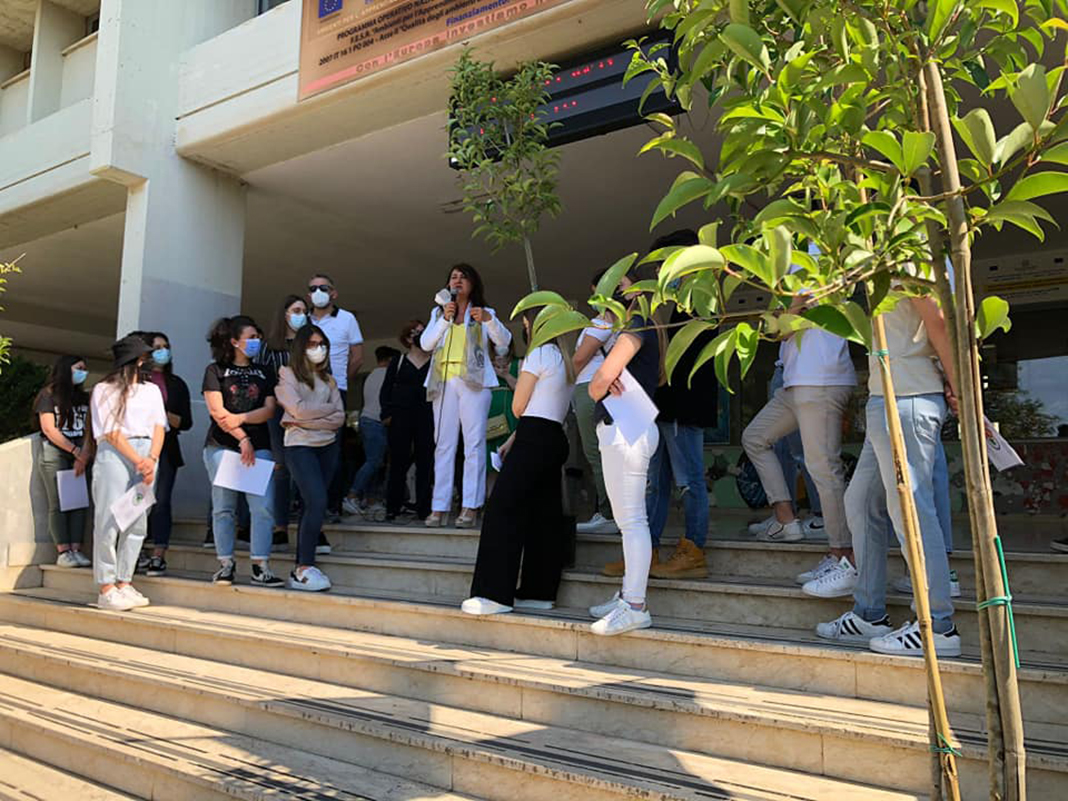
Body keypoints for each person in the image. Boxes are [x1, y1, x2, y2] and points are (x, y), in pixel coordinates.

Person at [815, 294, 962, 657]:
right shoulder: (875, 268)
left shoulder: (906, 261)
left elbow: (938, 320)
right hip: (887, 396)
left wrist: (959, 386)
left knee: (911, 513)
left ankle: (938, 627)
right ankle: (869, 614)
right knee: (861, 502)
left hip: (908, 395)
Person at [741, 269, 856, 588]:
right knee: (755, 437)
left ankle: (843, 556)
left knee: (823, 468)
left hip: (819, 381)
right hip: (797, 382)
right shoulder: (793, 267)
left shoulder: (811, 263)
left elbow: (781, 329)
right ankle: (786, 519)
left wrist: (785, 310)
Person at [462, 308, 575, 615]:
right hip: (552, 437)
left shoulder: (538, 354)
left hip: (534, 437)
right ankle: (539, 591)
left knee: (502, 510)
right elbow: (546, 407)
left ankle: (493, 594)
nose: (525, 328)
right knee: (544, 515)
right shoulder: (565, 358)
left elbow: (519, 406)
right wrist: (514, 439)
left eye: (526, 323)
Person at [586, 268, 665, 636]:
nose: (614, 291)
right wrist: (605, 378)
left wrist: (602, 381)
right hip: (628, 427)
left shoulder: (637, 323)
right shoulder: (646, 326)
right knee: (629, 522)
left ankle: (635, 605)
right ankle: (628, 597)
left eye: (619, 285)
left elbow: (598, 382)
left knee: (632, 522)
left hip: (626, 429)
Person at [643, 230, 719, 580]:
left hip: (685, 404)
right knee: (656, 483)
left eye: (664, 262)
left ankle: (693, 550)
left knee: (689, 480)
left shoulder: (701, 295)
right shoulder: (678, 300)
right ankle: (647, 551)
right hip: (666, 404)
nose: (661, 271)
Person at [420, 263, 512, 528]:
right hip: (444, 382)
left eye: (463, 277)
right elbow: (426, 344)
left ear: (473, 283)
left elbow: (504, 342)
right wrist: (444, 319)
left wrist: (489, 320)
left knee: (474, 444)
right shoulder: (438, 312)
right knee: (443, 444)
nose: (457, 281)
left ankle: (471, 505)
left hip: (475, 382)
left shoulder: (483, 312)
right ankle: (439, 507)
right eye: (453, 277)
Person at [202, 316, 283, 587]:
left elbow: (269, 410)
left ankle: (260, 565)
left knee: (263, 507)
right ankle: (226, 564)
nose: (256, 341)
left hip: (260, 447)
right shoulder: (215, 370)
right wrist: (243, 438)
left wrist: (241, 419)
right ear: (235, 341)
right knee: (224, 507)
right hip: (222, 446)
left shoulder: (265, 371)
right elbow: (217, 412)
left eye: (258, 337)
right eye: (251, 337)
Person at [90, 335, 167, 611]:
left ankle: (125, 581)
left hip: (147, 451)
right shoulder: (104, 389)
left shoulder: (152, 390)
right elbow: (110, 430)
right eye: (144, 357)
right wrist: (139, 460)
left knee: (137, 520)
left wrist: (152, 458)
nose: (148, 362)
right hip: (115, 452)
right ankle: (106, 585)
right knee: (109, 518)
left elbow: (159, 426)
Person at [275, 324, 345, 592]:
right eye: (313, 344)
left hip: (327, 446)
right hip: (299, 446)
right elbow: (297, 409)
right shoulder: (288, 374)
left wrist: (304, 417)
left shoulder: (329, 380)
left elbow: (339, 417)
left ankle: (302, 564)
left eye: (322, 344)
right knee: (317, 500)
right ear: (301, 347)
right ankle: (304, 566)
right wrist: (321, 412)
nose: (319, 349)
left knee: (311, 504)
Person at [307, 273, 364, 526]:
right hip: (306, 391)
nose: (318, 292)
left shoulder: (347, 318)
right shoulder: (303, 319)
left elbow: (358, 357)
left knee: (333, 449)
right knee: (305, 449)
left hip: (335, 391)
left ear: (334, 293)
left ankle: (332, 505)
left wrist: (340, 382)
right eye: (313, 289)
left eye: (323, 287)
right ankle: (306, 503)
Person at [137, 332, 192, 577]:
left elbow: (186, 422)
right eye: (157, 347)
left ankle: (159, 554)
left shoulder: (176, 383)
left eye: (165, 346)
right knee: (137, 501)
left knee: (161, 501)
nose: (162, 351)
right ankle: (135, 550)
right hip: (138, 448)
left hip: (167, 448)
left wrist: (161, 413)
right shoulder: (136, 380)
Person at [259, 294, 310, 551]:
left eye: (304, 311)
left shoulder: (311, 343)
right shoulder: (270, 347)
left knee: (305, 468)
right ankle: (280, 526)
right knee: (281, 469)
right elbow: (263, 380)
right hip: (279, 412)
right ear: (285, 314)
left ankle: (309, 524)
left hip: (307, 412)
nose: (301, 315)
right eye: (296, 310)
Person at [34, 355, 94, 568]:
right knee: (58, 503)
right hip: (55, 453)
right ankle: (63, 551)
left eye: (84, 368)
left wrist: (84, 454)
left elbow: (90, 429)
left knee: (78, 502)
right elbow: (49, 429)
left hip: (80, 454)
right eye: (79, 368)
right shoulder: (48, 395)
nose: (83, 372)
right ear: (66, 370)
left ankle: (76, 549)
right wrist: (75, 450)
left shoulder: (84, 398)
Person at [573, 273, 618, 536]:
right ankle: (611, 510)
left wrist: (566, 377)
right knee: (605, 453)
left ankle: (608, 512)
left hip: (590, 387)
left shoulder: (602, 322)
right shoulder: (622, 323)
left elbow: (580, 359)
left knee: (596, 454)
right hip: (603, 388)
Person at [381, 320, 433, 522]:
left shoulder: (435, 362)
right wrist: (387, 414)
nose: (420, 336)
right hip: (400, 417)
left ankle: (423, 508)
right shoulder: (398, 361)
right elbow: (386, 389)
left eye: (423, 331)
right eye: (415, 333)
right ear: (407, 338)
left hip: (427, 416)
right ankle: (393, 506)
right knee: (398, 462)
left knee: (425, 462)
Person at [344, 346, 395, 513]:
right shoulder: (387, 375)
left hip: (367, 420)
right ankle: (352, 495)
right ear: (390, 360)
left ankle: (371, 499)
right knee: (374, 462)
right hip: (376, 422)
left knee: (374, 462)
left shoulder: (371, 375)